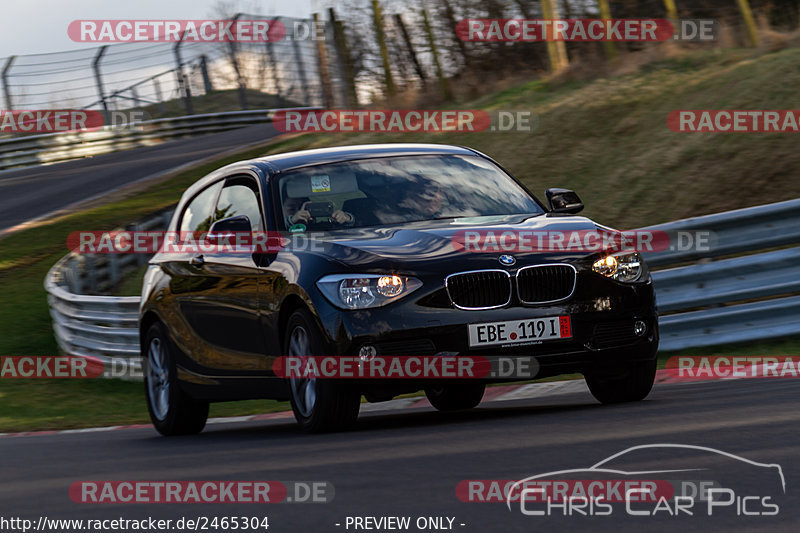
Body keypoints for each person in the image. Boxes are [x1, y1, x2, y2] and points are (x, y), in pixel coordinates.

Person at [283, 196, 354, 227]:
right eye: (291, 209)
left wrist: (346, 218)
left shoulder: (322, 227)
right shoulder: (279, 232)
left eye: (305, 208)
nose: (300, 212)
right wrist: (291, 221)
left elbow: (352, 229)